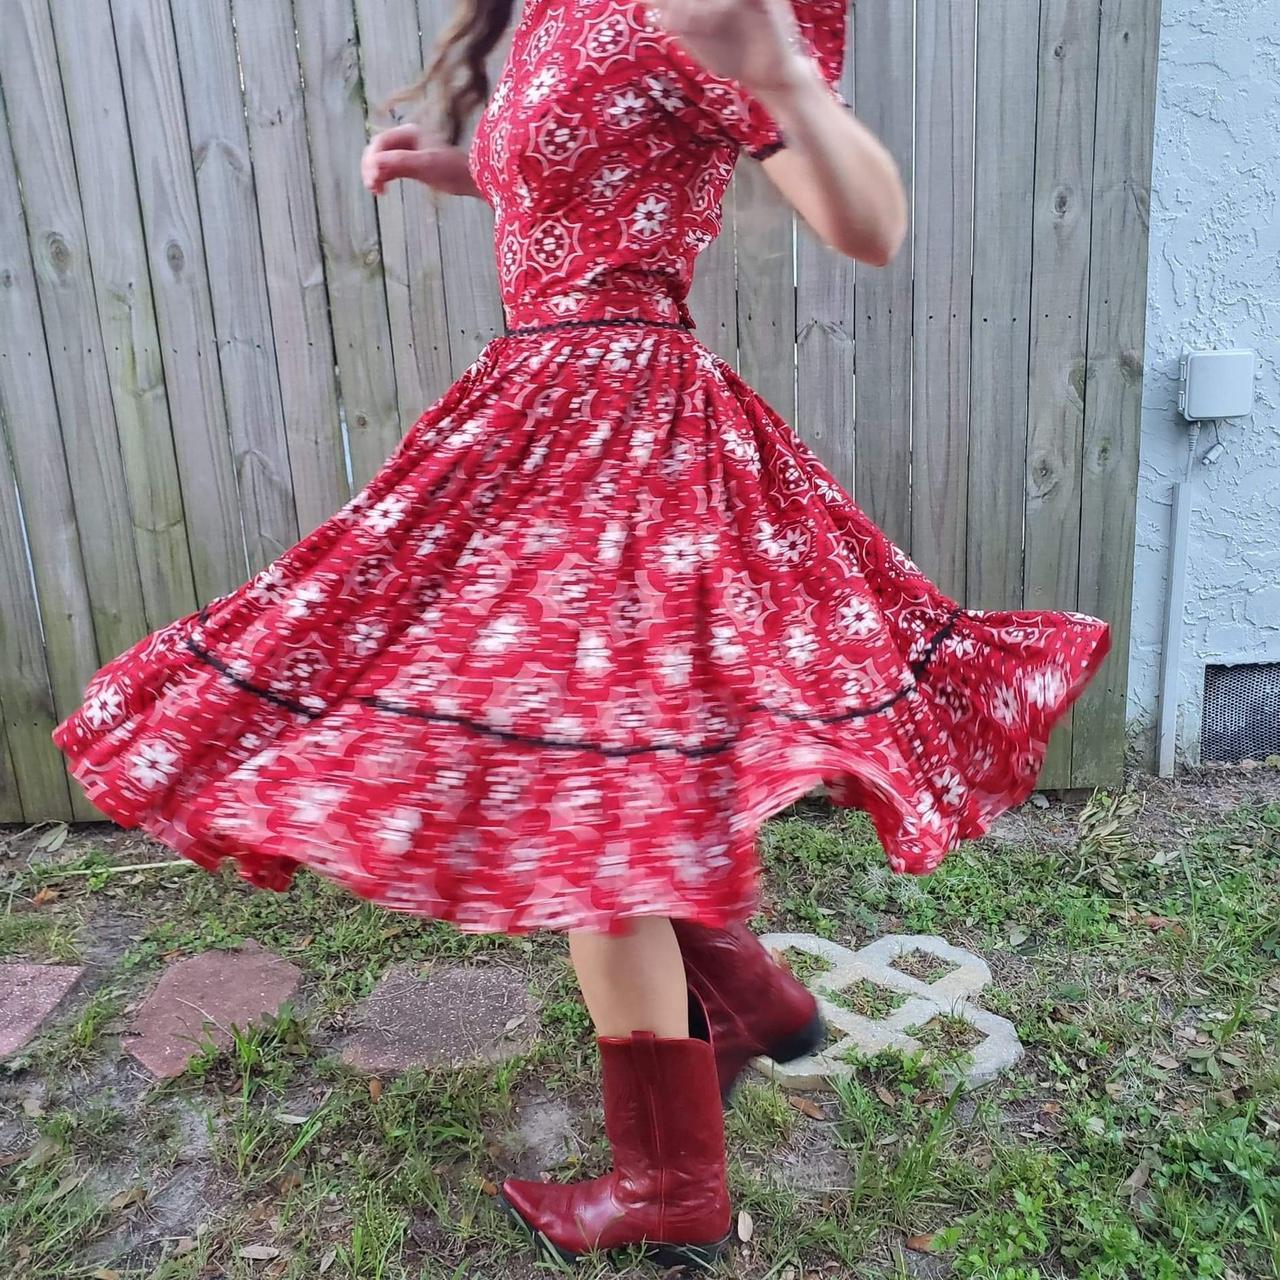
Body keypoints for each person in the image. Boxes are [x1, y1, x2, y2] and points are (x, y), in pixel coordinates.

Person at [54, 0, 1110, 1268]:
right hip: (541, 408)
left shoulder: (686, 12)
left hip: (620, 430)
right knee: (572, 764)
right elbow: (590, 168)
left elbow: (867, 224)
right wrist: (460, 166)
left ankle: (675, 1185)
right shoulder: (562, 12)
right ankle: (748, 999)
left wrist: (777, 69)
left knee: (583, 800)